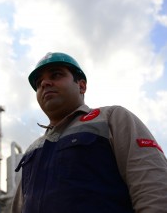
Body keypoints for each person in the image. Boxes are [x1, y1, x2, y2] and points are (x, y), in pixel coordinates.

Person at [11, 52, 167, 212]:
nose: (44, 83)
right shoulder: (32, 150)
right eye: (38, 83)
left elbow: (154, 188)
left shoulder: (112, 118)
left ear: (81, 85)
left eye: (56, 75)